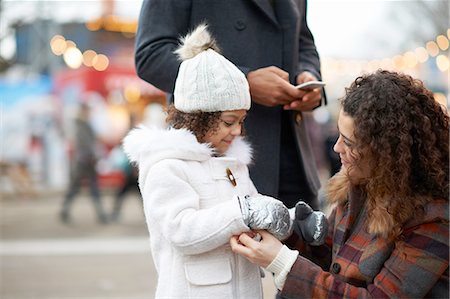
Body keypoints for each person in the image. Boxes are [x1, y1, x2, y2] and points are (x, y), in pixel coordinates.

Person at [230, 70, 449, 298]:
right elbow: (330, 256)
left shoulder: (435, 218)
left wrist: (283, 263)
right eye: (339, 135)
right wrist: (285, 230)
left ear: (387, 153)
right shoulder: (361, 184)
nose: (336, 148)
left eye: (349, 143)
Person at [123, 25, 302, 299]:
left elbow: (254, 212)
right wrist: (242, 212)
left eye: (242, 122)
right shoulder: (167, 166)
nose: (238, 131)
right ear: (199, 116)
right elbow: (181, 230)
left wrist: (291, 220)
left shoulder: (232, 163)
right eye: (229, 122)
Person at [134, 0, 325, 210]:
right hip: (217, 163)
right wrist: (243, 81)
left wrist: (309, 77)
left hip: (295, 160)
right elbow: (152, 55)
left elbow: (303, 42)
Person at [61, 103, 108, 224]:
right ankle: (65, 211)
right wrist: (92, 156)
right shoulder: (81, 125)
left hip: (86, 161)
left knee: (90, 188)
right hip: (83, 161)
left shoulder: (84, 124)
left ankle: (100, 214)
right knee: (78, 188)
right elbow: (83, 144)